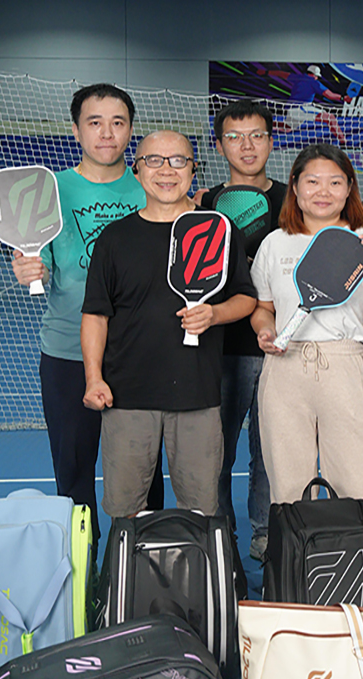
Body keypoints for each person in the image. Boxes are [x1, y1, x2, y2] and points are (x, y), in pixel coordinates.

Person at [11, 83, 163, 564]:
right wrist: (26, 267)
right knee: (73, 472)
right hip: (67, 352)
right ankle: (83, 572)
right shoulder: (49, 190)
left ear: (131, 131)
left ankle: (141, 572)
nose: (107, 133)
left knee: (145, 474)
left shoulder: (152, 185)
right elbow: (35, 256)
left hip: (139, 354)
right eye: (95, 122)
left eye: (118, 123)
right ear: (76, 130)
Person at [81, 131, 256, 518]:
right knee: (125, 510)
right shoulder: (114, 238)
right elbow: (95, 314)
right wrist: (94, 378)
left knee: (200, 510)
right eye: (154, 161)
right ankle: (126, 578)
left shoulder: (218, 232)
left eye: (178, 161)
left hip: (197, 396)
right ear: (137, 171)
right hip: (126, 396)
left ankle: (197, 580)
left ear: (193, 171)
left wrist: (215, 314)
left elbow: (246, 298)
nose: (166, 170)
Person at [250, 143, 363, 504]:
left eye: (335, 183)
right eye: (313, 181)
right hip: (284, 366)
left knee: (358, 480)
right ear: (295, 186)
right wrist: (264, 330)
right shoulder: (275, 243)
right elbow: (263, 308)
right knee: (288, 484)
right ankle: (297, 558)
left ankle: (359, 556)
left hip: (345, 364)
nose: (323, 192)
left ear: (350, 188)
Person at [194, 100, 287, 561]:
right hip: (220, 348)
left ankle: (266, 533)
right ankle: (219, 535)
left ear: (271, 140)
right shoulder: (203, 204)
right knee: (217, 451)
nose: (246, 146)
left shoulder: (294, 199)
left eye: (256, 135)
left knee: (269, 452)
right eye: (234, 136)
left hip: (278, 346)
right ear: (219, 145)